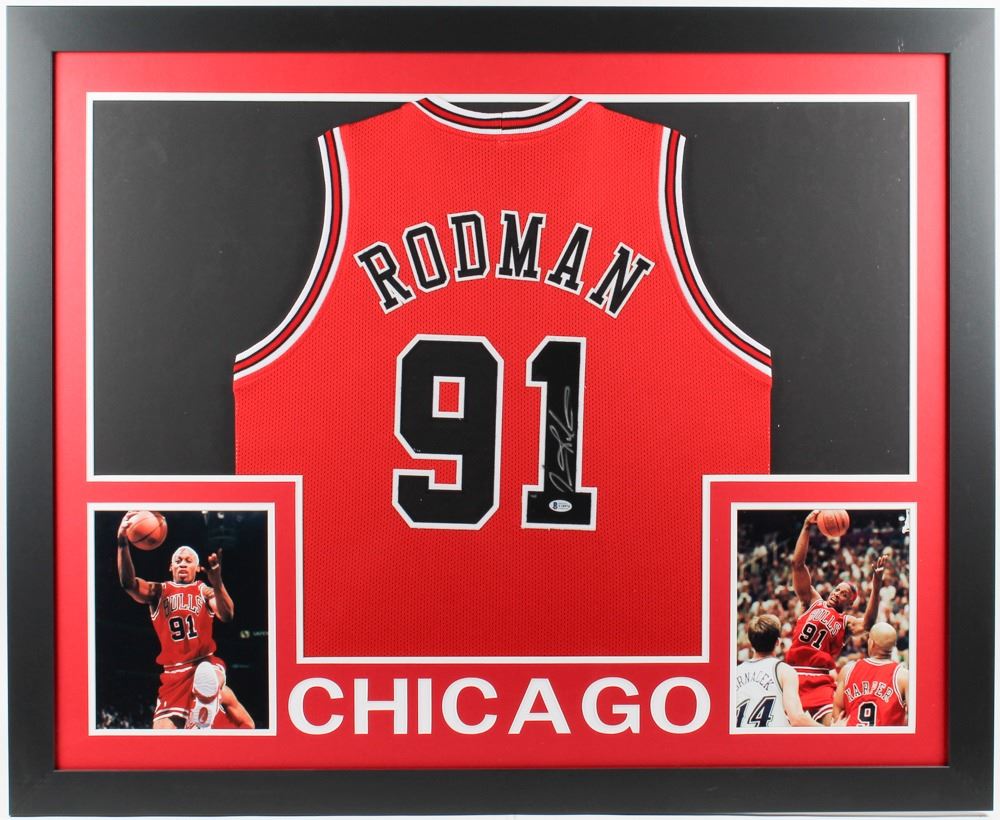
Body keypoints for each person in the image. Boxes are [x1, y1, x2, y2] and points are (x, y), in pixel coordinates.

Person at [116, 511, 252, 730]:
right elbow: (128, 583)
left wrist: (217, 582)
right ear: (171, 567)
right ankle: (204, 713)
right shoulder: (159, 591)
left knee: (210, 677)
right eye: (178, 560)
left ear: (197, 569)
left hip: (203, 663)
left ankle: (205, 701)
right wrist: (123, 542)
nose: (182, 563)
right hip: (173, 674)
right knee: (161, 740)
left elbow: (227, 614)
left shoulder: (204, 590)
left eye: (188, 561)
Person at [786, 510, 889, 724]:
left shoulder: (846, 622)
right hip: (792, 674)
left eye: (843, 594)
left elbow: (868, 624)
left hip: (820, 678)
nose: (836, 593)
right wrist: (806, 527)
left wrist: (876, 586)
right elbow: (797, 565)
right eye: (836, 589)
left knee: (831, 728)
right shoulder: (813, 601)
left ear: (849, 603)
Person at [734, 614, 819, 728]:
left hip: (741, 737)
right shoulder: (784, 671)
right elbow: (797, 719)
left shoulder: (735, 672)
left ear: (751, 642)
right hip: (770, 738)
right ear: (778, 642)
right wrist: (830, 730)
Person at [833, 622, 908, 726]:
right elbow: (916, 719)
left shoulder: (848, 670)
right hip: (885, 736)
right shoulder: (903, 675)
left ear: (871, 643)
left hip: (853, 734)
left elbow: (837, 713)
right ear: (893, 646)